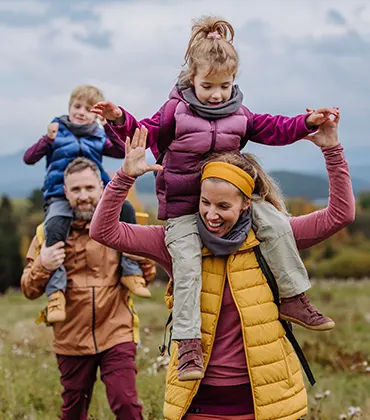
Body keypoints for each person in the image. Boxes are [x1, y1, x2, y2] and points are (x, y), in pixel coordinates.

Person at [91, 16, 339, 380]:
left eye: (225, 85)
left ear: (234, 81)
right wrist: (117, 118)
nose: (217, 93)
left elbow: (273, 128)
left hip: (230, 200)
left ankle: (292, 297)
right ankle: (189, 343)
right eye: (208, 85)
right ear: (191, 80)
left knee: (275, 224)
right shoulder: (175, 111)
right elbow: (145, 132)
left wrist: (308, 123)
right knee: (188, 267)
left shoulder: (239, 114)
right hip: (184, 209)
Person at [90, 112, 354, 420]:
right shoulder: (176, 241)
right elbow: (104, 231)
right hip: (197, 403)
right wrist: (125, 177)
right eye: (205, 202)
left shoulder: (274, 236)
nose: (211, 215)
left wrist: (331, 149)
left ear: (246, 203)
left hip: (268, 404)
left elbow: (340, 215)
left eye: (223, 206)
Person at [21, 157, 156, 420]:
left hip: (116, 332)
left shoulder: (120, 226)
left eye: (89, 188)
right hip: (70, 340)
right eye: (76, 190)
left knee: (127, 405)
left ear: (102, 188)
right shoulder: (46, 233)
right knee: (73, 411)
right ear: (65, 192)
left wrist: (142, 257)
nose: (83, 196)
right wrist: (43, 264)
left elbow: (146, 277)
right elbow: (28, 289)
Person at [23, 84, 150, 324]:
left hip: (96, 192)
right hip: (60, 194)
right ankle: (56, 293)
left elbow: (118, 150)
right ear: (69, 107)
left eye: (88, 109)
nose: (81, 112)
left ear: (97, 115)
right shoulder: (57, 131)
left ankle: (130, 270)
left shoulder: (98, 135)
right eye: (76, 106)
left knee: (128, 210)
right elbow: (29, 158)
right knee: (54, 229)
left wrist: (110, 128)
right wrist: (45, 139)